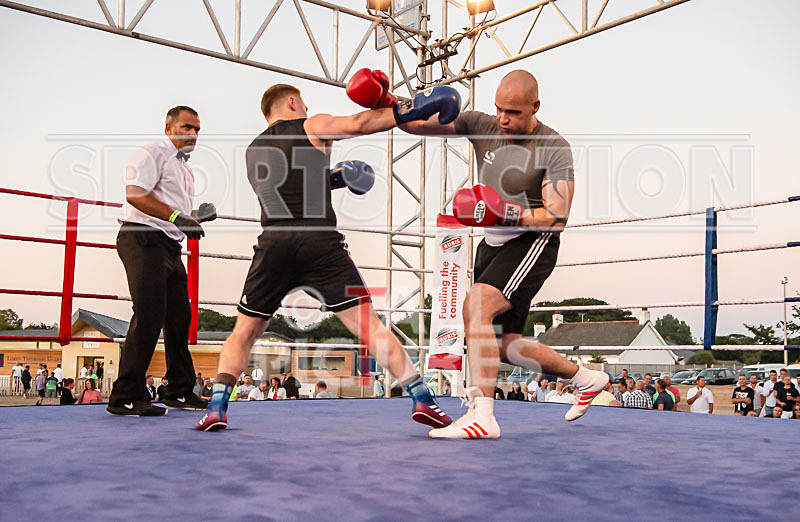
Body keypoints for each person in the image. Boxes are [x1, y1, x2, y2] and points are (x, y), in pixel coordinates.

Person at [195, 80, 459, 431]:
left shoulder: (253, 151)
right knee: (369, 327)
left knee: (244, 331)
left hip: (273, 242)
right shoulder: (312, 124)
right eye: (302, 104)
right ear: (291, 102)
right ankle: (422, 399)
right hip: (319, 242)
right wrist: (410, 109)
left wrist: (334, 177)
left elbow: (289, 186)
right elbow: (361, 123)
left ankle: (216, 408)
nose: (306, 109)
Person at [401, 70, 608, 439]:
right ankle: (586, 378)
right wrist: (390, 104)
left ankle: (483, 415)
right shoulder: (483, 125)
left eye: (512, 112)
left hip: (531, 241)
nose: (503, 119)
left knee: (476, 306)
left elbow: (557, 216)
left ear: (535, 107)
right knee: (500, 344)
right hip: (491, 244)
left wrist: (508, 212)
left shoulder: (553, 146)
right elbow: (417, 126)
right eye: (499, 110)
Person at [107, 105, 217, 417]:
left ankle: (179, 392)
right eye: (186, 127)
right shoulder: (150, 152)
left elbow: (174, 214)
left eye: (197, 129)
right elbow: (136, 194)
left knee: (180, 317)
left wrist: (195, 216)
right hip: (142, 238)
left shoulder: (185, 169)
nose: (193, 134)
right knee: (149, 314)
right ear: (168, 126)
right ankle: (125, 397)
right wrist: (178, 216)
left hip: (169, 245)